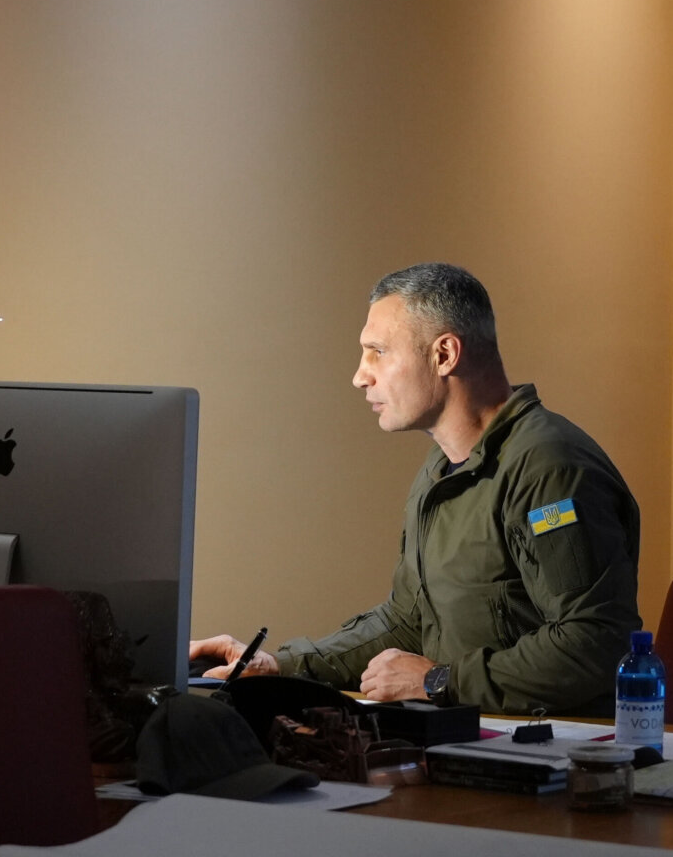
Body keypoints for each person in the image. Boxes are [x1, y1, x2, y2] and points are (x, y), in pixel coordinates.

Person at [190, 262, 641, 715]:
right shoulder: (441, 468)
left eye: (378, 352)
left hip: (552, 744)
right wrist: (278, 666)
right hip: (471, 734)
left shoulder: (550, 468)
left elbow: (594, 643)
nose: (360, 376)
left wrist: (437, 681)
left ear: (444, 355)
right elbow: (409, 621)